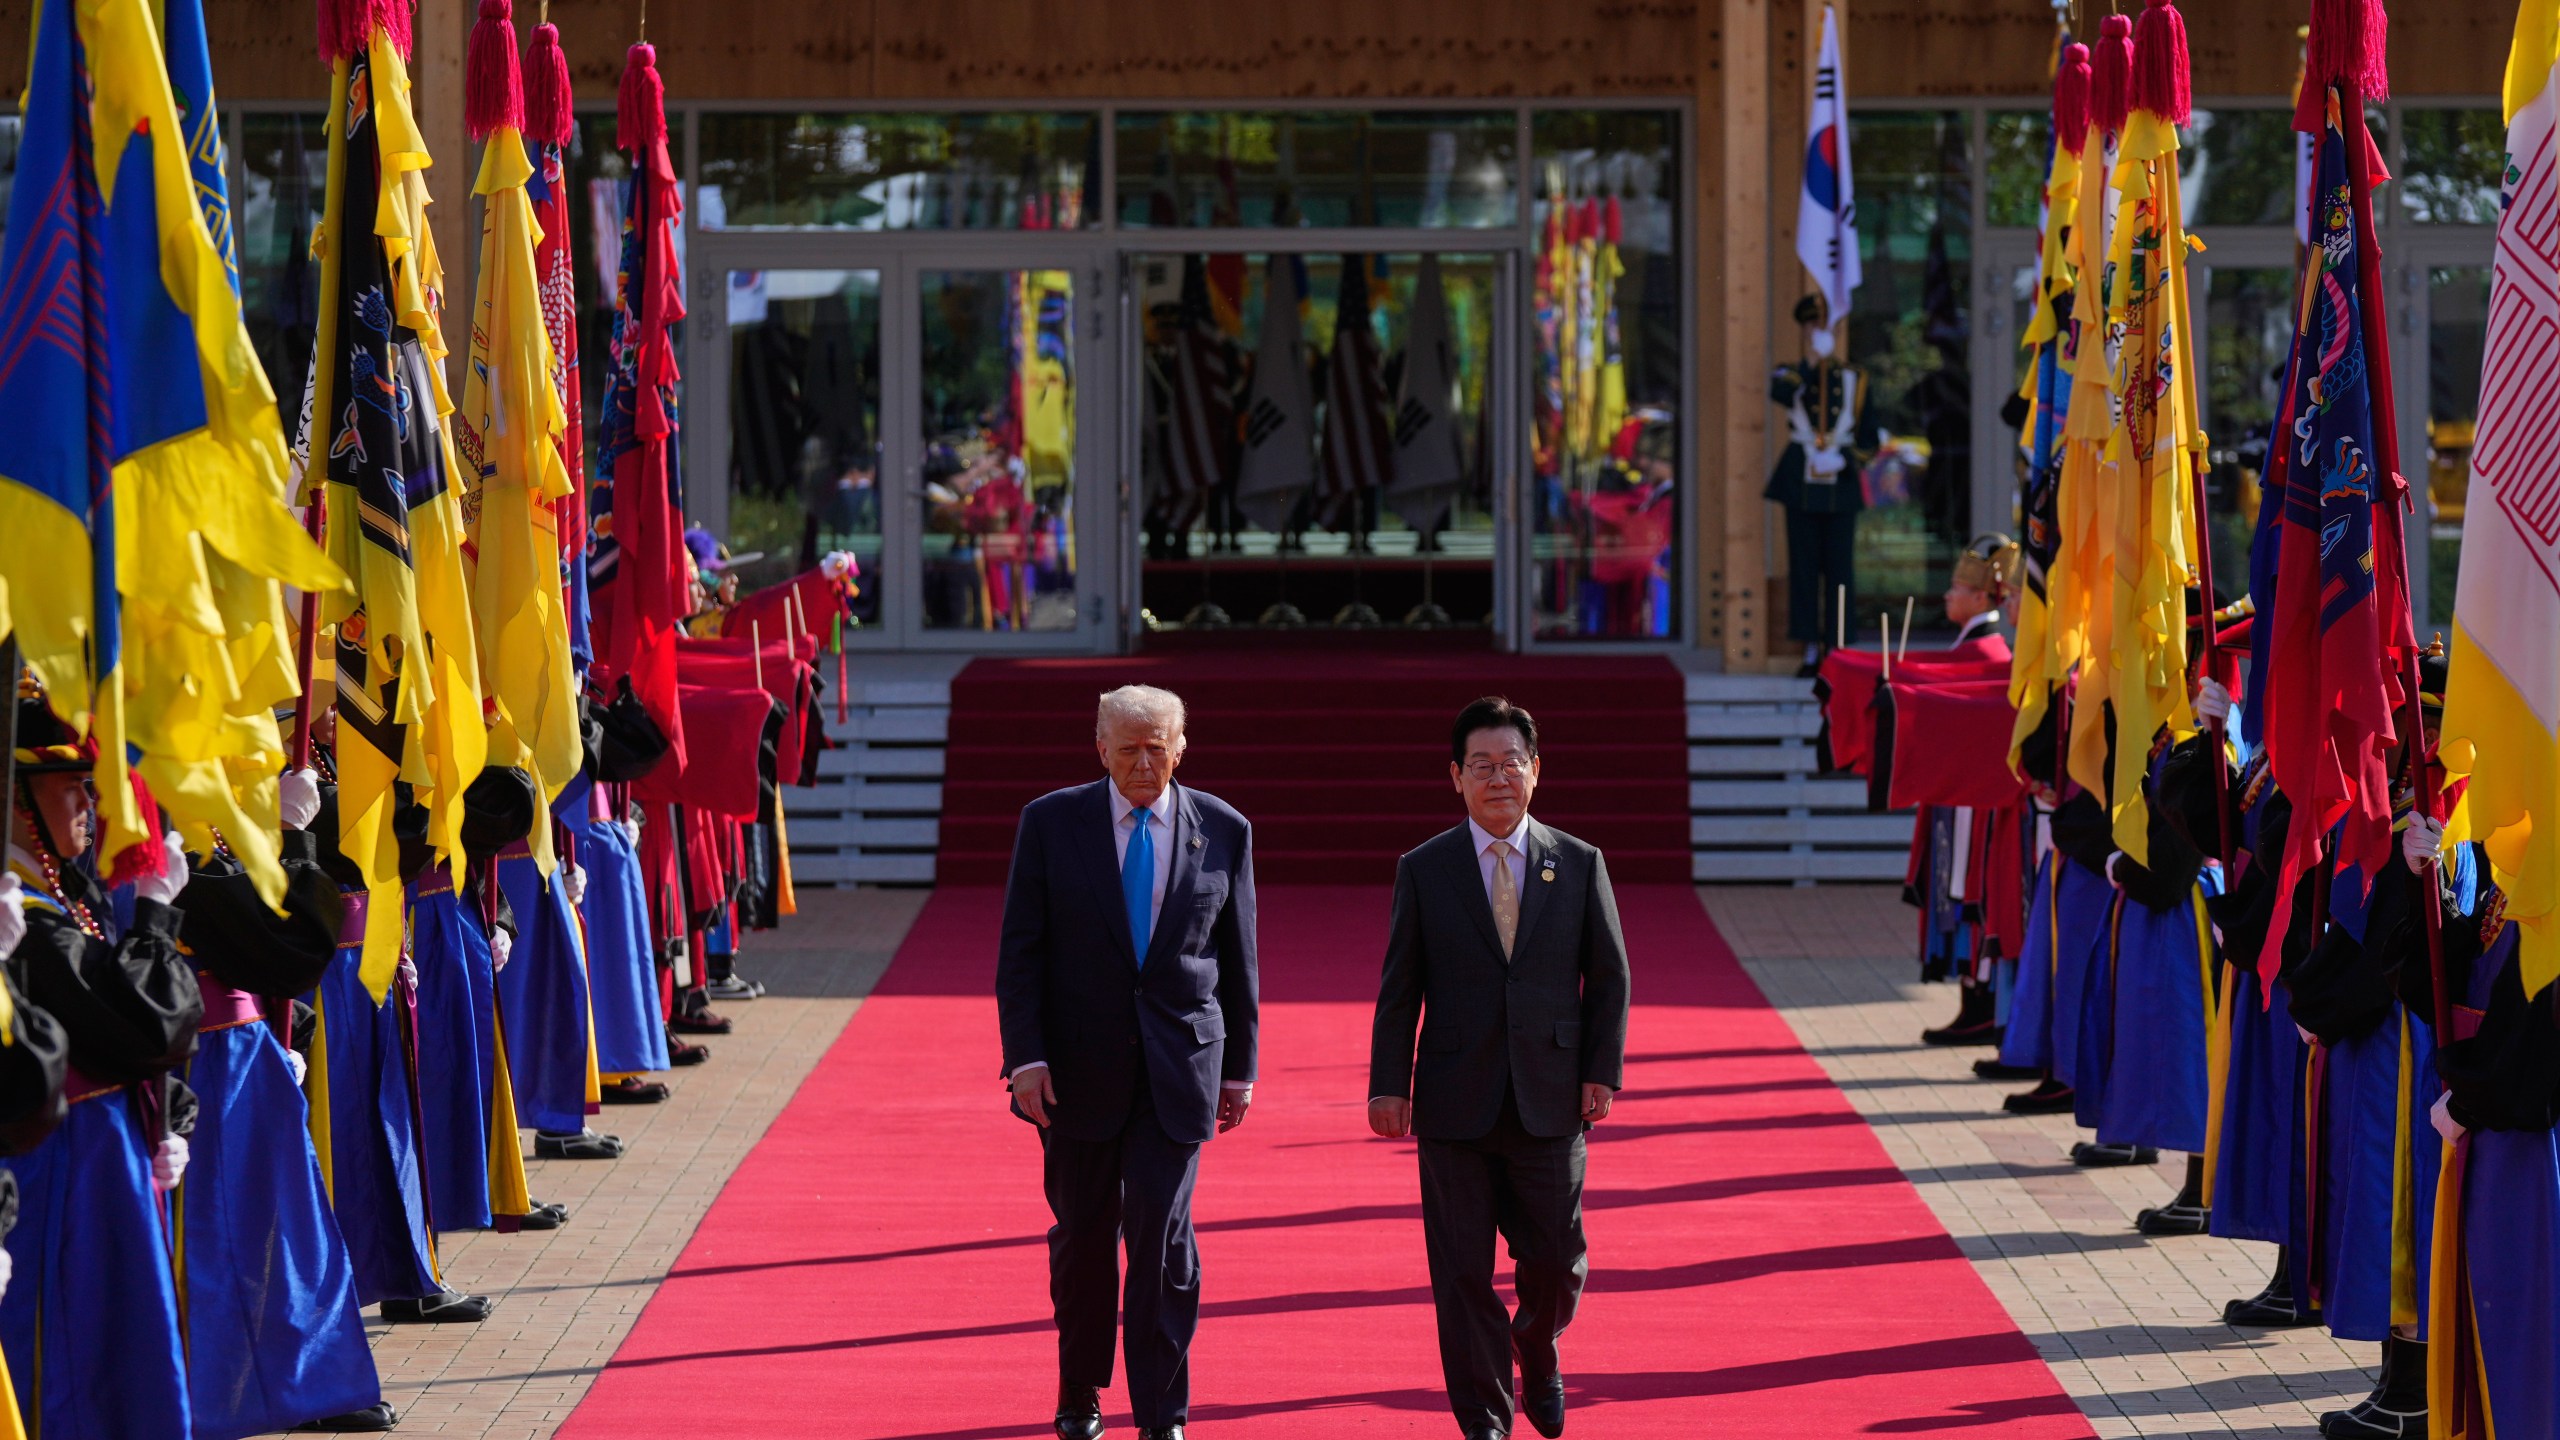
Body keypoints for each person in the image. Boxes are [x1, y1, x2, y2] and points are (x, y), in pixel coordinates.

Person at [995, 685, 1259, 1440]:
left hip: (1180, 1069)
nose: (1143, 763)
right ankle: (1079, 1388)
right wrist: (1026, 1059)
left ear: (1181, 748)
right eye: (1128, 748)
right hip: (1075, 1073)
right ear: (1100, 748)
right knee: (1084, 1237)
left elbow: (1238, 960)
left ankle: (1161, 1411)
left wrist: (1240, 1070)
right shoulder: (1050, 823)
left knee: (1162, 1240)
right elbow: (1021, 954)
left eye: (1158, 747)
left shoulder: (1225, 828)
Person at [1369, 697, 1633, 1440]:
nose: (1497, 777)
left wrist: (1600, 1070)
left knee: (1556, 1261)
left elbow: (1609, 976)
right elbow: (1401, 985)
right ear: (1455, 777)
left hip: (1551, 1096)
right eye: (1480, 765)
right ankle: (1485, 1417)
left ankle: (1536, 1346)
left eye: (1510, 763)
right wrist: (1389, 1084)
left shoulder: (1579, 863)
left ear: (1535, 771)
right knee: (1460, 1275)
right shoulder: (1424, 869)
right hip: (1454, 1100)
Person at [1766, 293, 1882, 676]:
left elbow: (1869, 438)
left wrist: (1846, 458)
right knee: (1803, 567)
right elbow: (1780, 393)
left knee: (1839, 569)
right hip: (1801, 476)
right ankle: (1809, 648)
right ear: (1803, 331)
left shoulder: (1855, 378)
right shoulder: (1790, 372)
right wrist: (1811, 364)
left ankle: (1838, 646)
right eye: (1812, 325)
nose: (1819, 332)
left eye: (1826, 325)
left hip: (1839, 479)